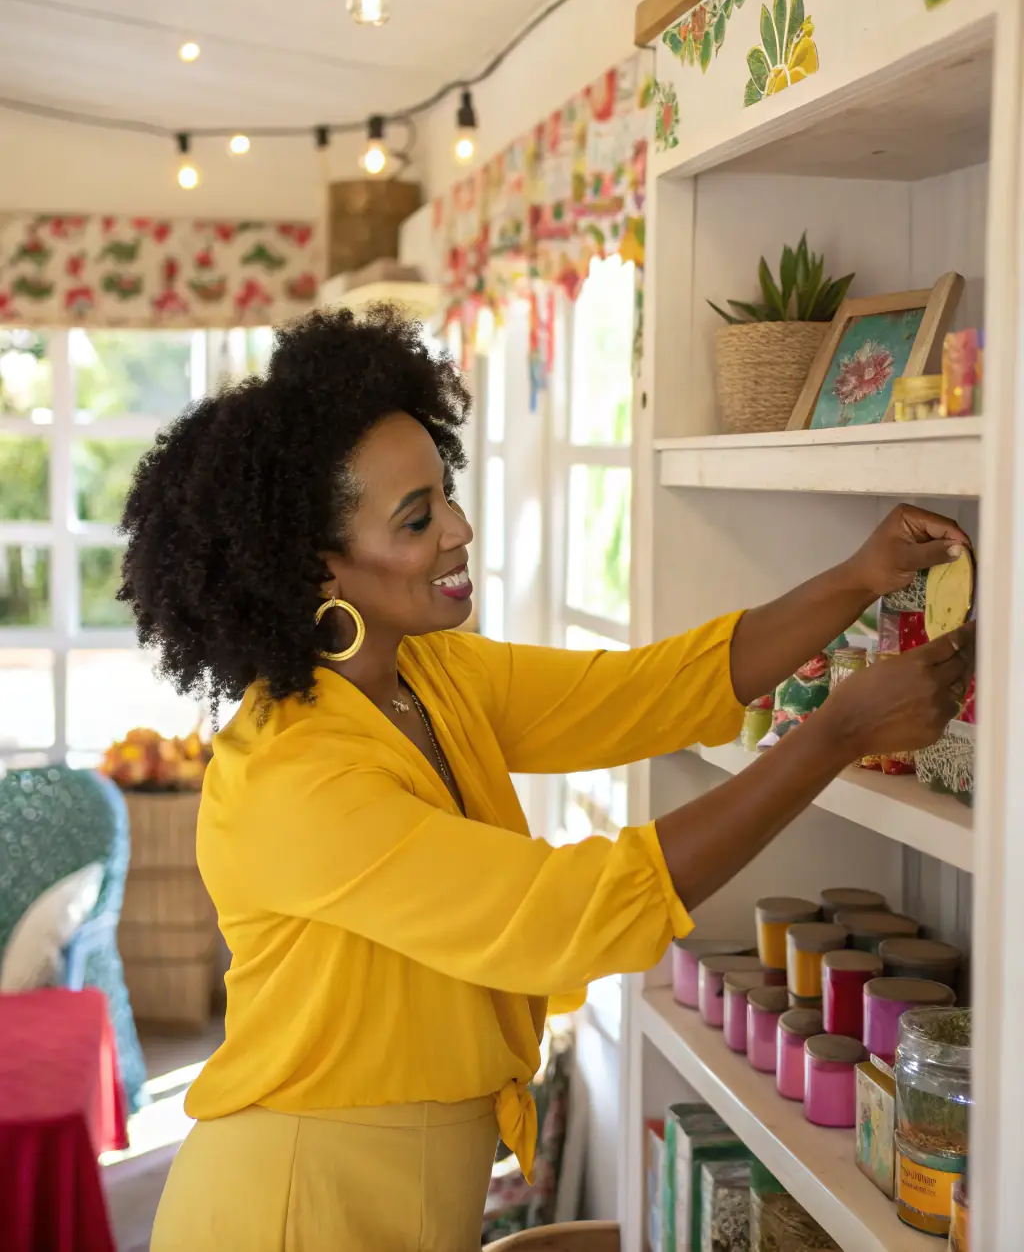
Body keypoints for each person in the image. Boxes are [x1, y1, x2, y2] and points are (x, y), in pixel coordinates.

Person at [126, 308, 973, 1252]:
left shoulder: (429, 675)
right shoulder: (293, 775)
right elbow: (563, 913)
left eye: (445, 493)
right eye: (417, 519)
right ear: (320, 567)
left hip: (411, 1191)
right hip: (291, 1207)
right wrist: (833, 735)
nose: (459, 528)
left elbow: (649, 689)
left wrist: (859, 575)